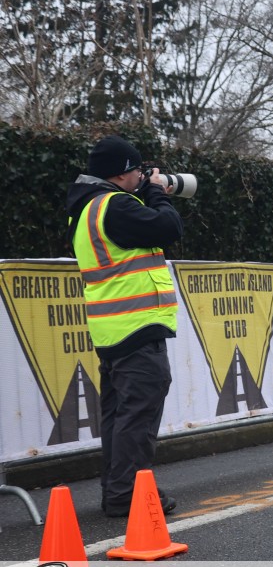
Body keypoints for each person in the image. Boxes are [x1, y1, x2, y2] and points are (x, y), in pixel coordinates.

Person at [66, 135, 182, 517]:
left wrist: (146, 192)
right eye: (137, 170)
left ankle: (118, 489)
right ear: (119, 173)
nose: (141, 176)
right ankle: (129, 494)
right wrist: (157, 192)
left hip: (112, 329)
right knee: (138, 415)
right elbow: (168, 227)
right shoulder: (115, 206)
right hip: (137, 324)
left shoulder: (86, 209)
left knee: (120, 415)